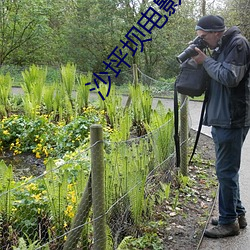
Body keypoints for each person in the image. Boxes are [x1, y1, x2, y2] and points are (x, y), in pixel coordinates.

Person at [192, 15, 250, 238]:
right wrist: (202, 60)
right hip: (222, 117)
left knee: (225, 171)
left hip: (232, 118)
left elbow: (229, 77)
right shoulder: (221, 46)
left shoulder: (238, 44)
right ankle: (237, 214)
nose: (203, 41)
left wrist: (205, 61)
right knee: (227, 171)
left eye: (204, 37)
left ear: (216, 32)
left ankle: (228, 223)